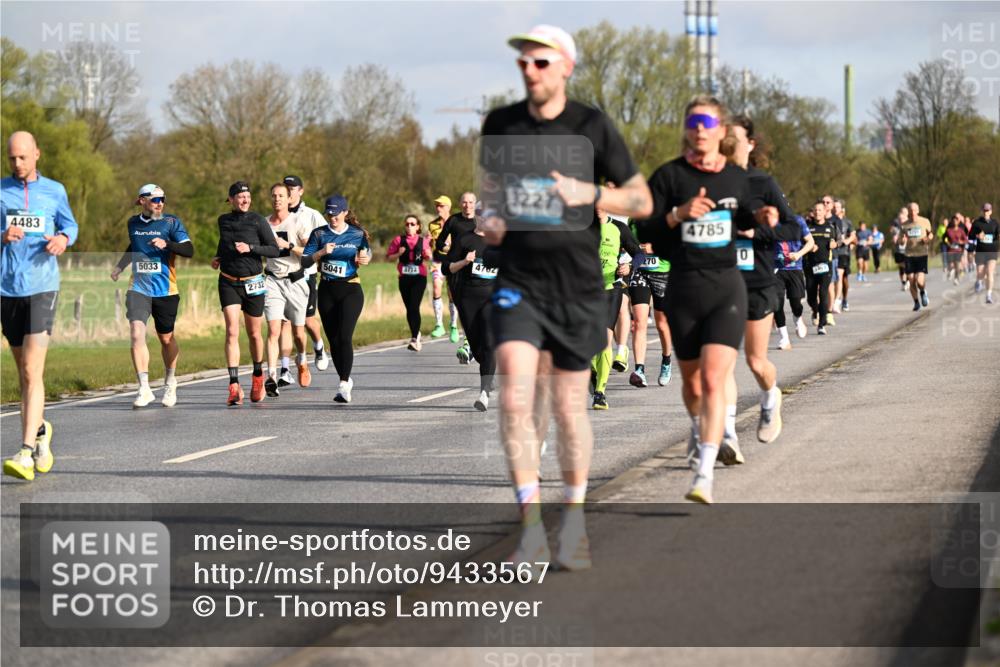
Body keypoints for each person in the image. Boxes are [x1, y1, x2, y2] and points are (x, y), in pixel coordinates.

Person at [480, 24, 653, 569]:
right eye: (524, 64)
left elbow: (641, 199)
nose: (530, 71)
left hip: (577, 287)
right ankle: (530, 530)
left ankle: (573, 520)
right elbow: (489, 197)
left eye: (540, 63)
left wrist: (590, 193)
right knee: (515, 397)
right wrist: (490, 222)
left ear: (565, 68)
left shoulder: (592, 127)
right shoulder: (500, 125)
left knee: (567, 407)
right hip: (518, 283)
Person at [636, 96, 775, 504]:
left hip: (725, 289)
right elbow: (646, 228)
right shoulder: (668, 176)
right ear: (687, 127)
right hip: (683, 289)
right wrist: (678, 215)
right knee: (694, 385)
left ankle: (704, 474)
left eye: (708, 122)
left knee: (716, 380)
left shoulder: (735, 177)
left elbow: (745, 212)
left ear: (720, 131)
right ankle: (698, 429)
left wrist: (762, 217)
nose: (700, 129)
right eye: (693, 121)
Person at [1, 131, 78, 481]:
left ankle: (26, 452)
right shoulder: (1, 192)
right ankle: (41, 430)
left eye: (22, 157)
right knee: (24, 373)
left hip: (43, 288)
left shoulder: (55, 191)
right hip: (8, 289)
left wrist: (63, 239)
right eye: (11, 158)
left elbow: (69, 225)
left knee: (32, 370)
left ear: (37, 154)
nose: (17, 164)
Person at [111, 184, 193, 408]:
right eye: (155, 199)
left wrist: (168, 243)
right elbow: (134, 246)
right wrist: (120, 266)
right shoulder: (133, 223)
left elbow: (189, 250)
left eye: (162, 199)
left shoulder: (171, 223)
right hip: (138, 288)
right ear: (142, 201)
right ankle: (144, 388)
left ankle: (170, 381)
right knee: (137, 333)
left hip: (166, 290)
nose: (160, 203)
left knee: (166, 338)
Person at [212, 181, 280, 405]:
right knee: (231, 331)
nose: (244, 200)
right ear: (230, 199)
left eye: (247, 197)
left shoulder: (258, 220)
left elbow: (273, 249)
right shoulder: (223, 220)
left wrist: (251, 248)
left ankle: (258, 376)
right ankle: (233, 385)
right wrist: (218, 257)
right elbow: (225, 244)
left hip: (253, 283)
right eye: (240, 197)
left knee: (254, 333)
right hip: (229, 281)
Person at [301, 196, 371, 403]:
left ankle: (343, 382)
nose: (332, 217)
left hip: (351, 288)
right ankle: (345, 382)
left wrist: (366, 258)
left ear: (345, 213)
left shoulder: (357, 234)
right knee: (333, 340)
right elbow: (305, 260)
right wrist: (321, 252)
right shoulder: (319, 234)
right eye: (329, 214)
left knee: (344, 336)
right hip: (327, 290)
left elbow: (366, 253)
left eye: (336, 213)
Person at [591, 193, 643, 411]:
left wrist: (629, 267)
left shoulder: (619, 228)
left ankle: (600, 392)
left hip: (610, 290)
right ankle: (593, 372)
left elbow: (638, 254)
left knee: (603, 340)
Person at [261, 182, 312, 398]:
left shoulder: (297, 222)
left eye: (281, 195)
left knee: (299, 333)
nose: (277, 199)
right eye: (274, 196)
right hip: (272, 281)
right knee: (273, 330)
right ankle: (271, 376)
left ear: (288, 198)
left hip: (296, 281)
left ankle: (301, 359)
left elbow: (310, 253)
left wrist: (288, 246)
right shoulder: (263, 224)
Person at [447, 215, 500, 410]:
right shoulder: (464, 239)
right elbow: (448, 268)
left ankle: (484, 392)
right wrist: (464, 261)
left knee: (488, 342)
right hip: (467, 298)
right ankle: (487, 369)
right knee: (478, 348)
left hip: (492, 299)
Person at [284, 175, 331, 374]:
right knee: (287, 322)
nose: (289, 192)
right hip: (284, 274)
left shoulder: (312, 215)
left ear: (301, 191)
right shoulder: (278, 215)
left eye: (292, 188)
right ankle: (286, 369)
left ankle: (319, 346)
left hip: (307, 273)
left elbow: (326, 238)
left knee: (308, 321)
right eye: (286, 188)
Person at [627, 221, 674, 388]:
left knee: (662, 324)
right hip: (640, 272)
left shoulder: (666, 217)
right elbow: (627, 240)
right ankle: (639, 370)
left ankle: (666, 361)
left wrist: (655, 248)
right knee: (639, 322)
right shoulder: (634, 219)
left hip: (663, 273)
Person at [435, 193, 478, 362]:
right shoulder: (453, 221)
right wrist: (449, 249)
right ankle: (470, 342)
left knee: (474, 306)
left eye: (470, 202)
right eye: (464, 202)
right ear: (460, 204)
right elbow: (439, 243)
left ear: (475, 204)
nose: (467, 205)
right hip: (456, 268)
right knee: (463, 307)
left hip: (475, 270)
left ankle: (469, 344)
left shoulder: (480, 222)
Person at [387, 214, 433, 351]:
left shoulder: (423, 240)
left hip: (419, 277)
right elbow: (389, 257)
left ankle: (414, 338)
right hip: (404, 278)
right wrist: (398, 254)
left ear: (418, 226)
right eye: (407, 224)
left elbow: (428, 254)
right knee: (409, 308)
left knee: (414, 306)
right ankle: (416, 333)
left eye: (412, 224)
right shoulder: (398, 240)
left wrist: (428, 255)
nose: (409, 226)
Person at [773, 212, 814, 349]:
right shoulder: (768, 220)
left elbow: (810, 241)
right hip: (776, 269)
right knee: (777, 303)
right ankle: (784, 338)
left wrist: (799, 254)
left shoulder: (798, 220)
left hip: (795, 268)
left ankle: (797, 317)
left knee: (796, 302)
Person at [428, 195, 460, 340]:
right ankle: (439, 325)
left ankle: (453, 326)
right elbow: (431, 244)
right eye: (436, 206)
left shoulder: (457, 222)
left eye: (441, 205)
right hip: (439, 262)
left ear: (448, 207)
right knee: (436, 286)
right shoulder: (432, 225)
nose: (438, 208)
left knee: (452, 294)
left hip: (454, 263)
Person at [805, 200, 837, 335]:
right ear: (813, 213)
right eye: (815, 210)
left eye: (820, 210)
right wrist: (810, 247)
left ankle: (822, 324)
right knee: (811, 296)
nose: (817, 212)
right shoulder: (807, 227)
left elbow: (836, 242)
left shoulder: (831, 227)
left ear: (825, 212)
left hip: (825, 265)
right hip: (810, 265)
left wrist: (834, 245)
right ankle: (815, 310)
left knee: (823, 294)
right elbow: (801, 244)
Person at [901, 201, 933, 311]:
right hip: (909, 254)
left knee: (919, 281)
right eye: (910, 210)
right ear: (908, 212)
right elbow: (901, 241)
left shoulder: (925, 221)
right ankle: (916, 302)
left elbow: (931, 234)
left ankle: (923, 292)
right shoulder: (905, 225)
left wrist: (927, 239)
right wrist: (902, 240)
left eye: (914, 210)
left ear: (918, 211)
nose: (913, 212)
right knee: (911, 279)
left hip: (921, 254)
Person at [970, 203, 997, 303]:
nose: (986, 212)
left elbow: (997, 236)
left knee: (990, 272)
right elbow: (970, 236)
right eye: (985, 210)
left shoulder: (995, 223)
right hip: (980, 252)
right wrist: (977, 235)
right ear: (982, 211)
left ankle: (988, 295)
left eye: (988, 210)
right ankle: (978, 281)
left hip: (992, 252)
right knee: (980, 273)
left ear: (991, 211)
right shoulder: (977, 223)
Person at [831, 199, 854, 312]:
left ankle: (843, 299)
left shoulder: (847, 222)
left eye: (837, 207)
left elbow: (853, 235)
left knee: (843, 278)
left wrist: (847, 241)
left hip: (844, 252)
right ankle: (836, 300)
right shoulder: (829, 220)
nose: (835, 209)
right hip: (834, 253)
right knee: (836, 277)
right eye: (834, 207)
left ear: (842, 209)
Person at [943, 214, 969, 285]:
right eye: (953, 220)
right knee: (951, 264)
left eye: (956, 220)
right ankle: (951, 271)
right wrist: (948, 243)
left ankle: (956, 278)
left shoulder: (961, 230)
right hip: (950, 249)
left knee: (957, 264)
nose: (954, 222)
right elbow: (944, 238)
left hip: (958, 250)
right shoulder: (948, 230)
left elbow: (966, 240)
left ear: (958, 222)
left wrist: (961, 242)